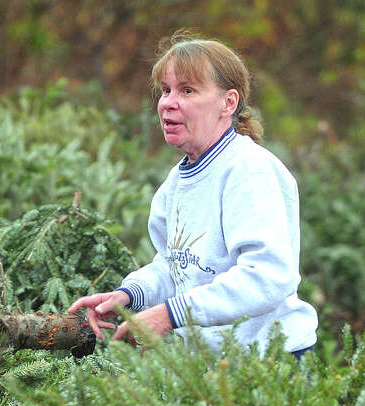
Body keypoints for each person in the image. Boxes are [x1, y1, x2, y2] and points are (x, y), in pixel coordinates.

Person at [68, 32, 317, 358]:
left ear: (228, 103)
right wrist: (129, 295)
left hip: (272, 363)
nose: (169, 102)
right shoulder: (174, 186)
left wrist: (170, 314)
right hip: (210, 371)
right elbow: (178, 269)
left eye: (187, 90)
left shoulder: (249, 171)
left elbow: (267, 276)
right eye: (166, 90)